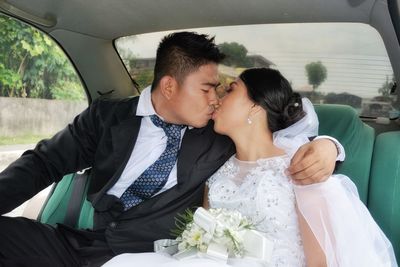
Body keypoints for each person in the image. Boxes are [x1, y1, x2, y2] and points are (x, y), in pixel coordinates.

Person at [0, 33, 341, 267]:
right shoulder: (105, 118)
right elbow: (42, 163)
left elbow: (276, 134)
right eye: (207, 88)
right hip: (81, 245)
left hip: (156, 255)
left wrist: (328, 147)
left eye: (221, 91)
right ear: (168, 86)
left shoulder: (219, 133)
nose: (215, 99)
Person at [103, 68, 397, 267]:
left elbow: (320, 263)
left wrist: (329, 145)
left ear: (256, 106)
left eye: (230, 90)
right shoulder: (215, 171)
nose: (216, 99)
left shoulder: (303, 167)